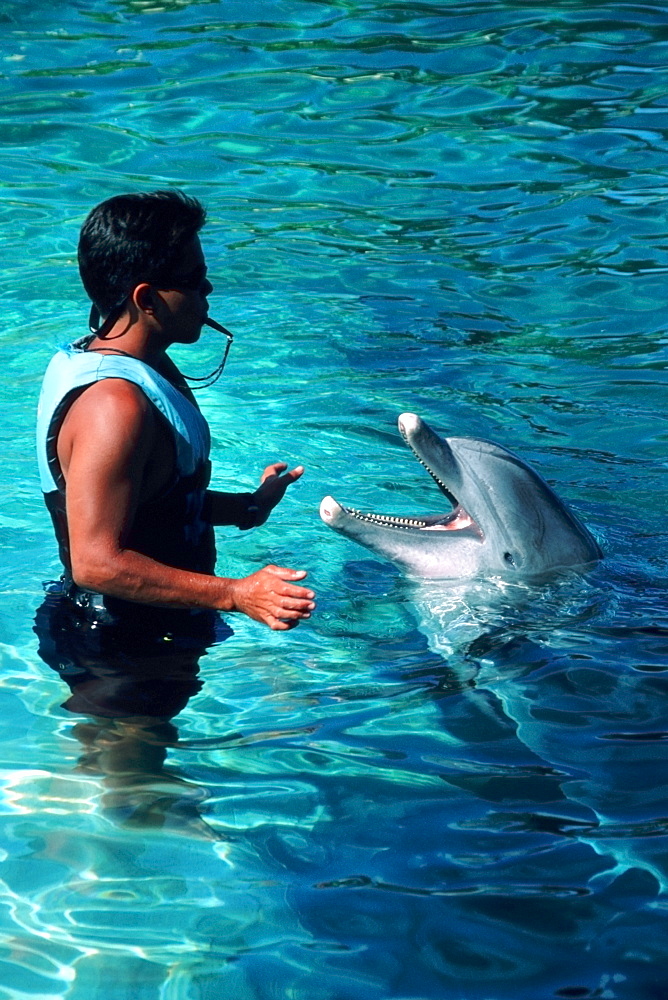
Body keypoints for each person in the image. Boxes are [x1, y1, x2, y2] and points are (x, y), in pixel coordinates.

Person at [36, 189, 316, 635]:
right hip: (115, 650)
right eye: (193, 279)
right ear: (146, 299)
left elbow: (155, 507)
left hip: (158, 625)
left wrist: (248, 507)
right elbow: (96, 563)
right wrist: (236, 594)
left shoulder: (147, 365)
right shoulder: (115, 406)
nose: (208, 289)